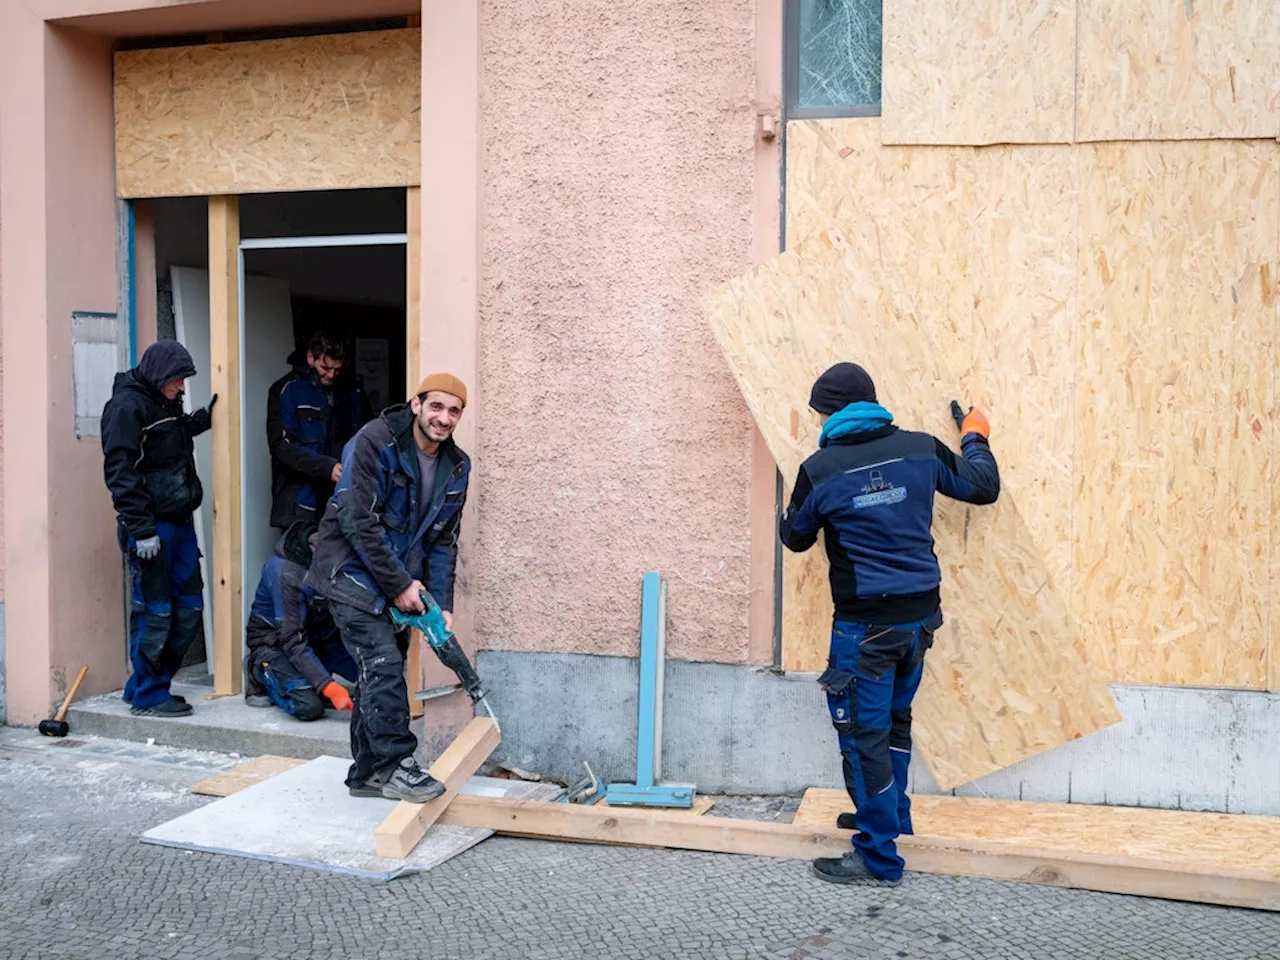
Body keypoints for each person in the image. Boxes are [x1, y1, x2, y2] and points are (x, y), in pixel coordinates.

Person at [779, 362, 1000, 887]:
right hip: (919, 621)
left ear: (831, 414)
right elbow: (982, 487)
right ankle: (889, 815)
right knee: (893, 723)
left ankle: (877, 857)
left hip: (867, 629)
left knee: (863, 737)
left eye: (818, 415)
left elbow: (794, 538)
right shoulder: (922, 449)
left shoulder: (821, 469)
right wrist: (974, 437)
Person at [310, 373, 471, 802]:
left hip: (394, 579)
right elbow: (356, 521)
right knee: (381, 664)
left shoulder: (457, 466)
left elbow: (442, 540)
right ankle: (397, 766)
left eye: (454, 411)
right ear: (416, 405)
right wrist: (400, 585)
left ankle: (366, 773)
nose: (444, 418)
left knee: (377, 672)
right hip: (350, 573)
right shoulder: (374, 441)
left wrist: (441, 603)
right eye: (436, 406)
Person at [101, 340, 217, 718]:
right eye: (178, 379)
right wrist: (141, 528)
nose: (182, 386)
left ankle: (147, 686)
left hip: (180, 525)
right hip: (153, 529)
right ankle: (149, 696)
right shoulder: (126, 407)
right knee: (157, 612)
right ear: (158, 375)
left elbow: (168, 442)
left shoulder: (163, 401)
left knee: (189, 609)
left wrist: (198, 421)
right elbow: (121, 473)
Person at [243, 520, 358, 720]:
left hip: (319, 639)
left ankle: (313, 675)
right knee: (308, 705)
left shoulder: (338, 559)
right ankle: (258, 672)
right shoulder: (286, 573)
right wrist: (328, 686)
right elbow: (292, 640)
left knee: (374, 676)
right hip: (277, 645)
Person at [266, 331, 372, 532]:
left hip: (341, 501)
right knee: (298, 563)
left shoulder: (353, 393)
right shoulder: (286, 390)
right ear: (310, 358)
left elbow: (366, 438)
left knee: (339, 563)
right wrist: (326, 467)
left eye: (337, 370)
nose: (331, 375)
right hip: (299, 503)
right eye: (325, 367)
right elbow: (281, 447)